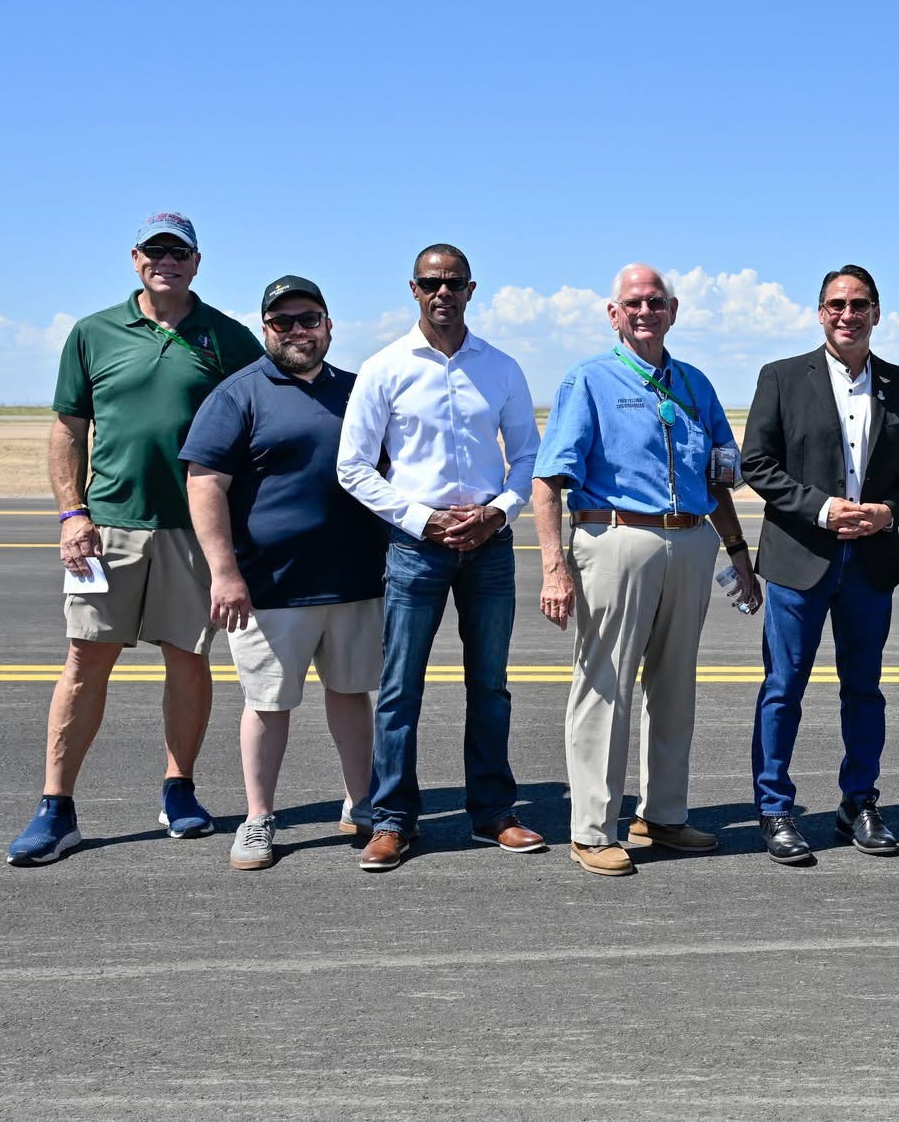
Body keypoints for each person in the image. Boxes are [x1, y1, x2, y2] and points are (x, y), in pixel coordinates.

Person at [10, 213, 264, 866]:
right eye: (156, 252)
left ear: (197, 262)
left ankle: (179, 790)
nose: (167, 262)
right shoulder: (93, 333)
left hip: (194, 530)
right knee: (85, 659)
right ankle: (55, 807)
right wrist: (72, 516)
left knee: (187, 656)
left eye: (179, 252)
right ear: (135, 259)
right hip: (107, 529)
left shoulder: (227, 338)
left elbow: (262, 417)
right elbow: (68, 428)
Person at [534, 264, 763, 876]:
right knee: (603, 685)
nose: (645, 311)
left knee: (675, 687)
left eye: (656, 302)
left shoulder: (694, 384)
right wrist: (554, 568)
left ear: (674, 310)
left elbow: (717, 478)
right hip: (615, 539)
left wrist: (739, 554)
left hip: (690, 543)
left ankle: (663, 814)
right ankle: (591, 828)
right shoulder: (588, 380)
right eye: (633, 302)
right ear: (613, 313)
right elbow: (548, 481)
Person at [337, 244, 543, 872]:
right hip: (415, 549)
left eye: (454, 282)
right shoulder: (385, 368)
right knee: (400, 688)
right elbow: (352, 466)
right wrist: (422, 519)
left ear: (472, 289)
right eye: (432, 283)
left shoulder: (501, 368)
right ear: (414, 289)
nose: (443, 293)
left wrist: (497, 511)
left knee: (490, 686)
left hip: (489, 546)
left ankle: (492, 812)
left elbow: (530, 455)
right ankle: (393, 820)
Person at [180, 276, 388, 870]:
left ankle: (361, 803)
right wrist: (225, 573)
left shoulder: (357, 390)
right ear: (266, 328)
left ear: (328, 324)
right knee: (268, 703)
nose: (298, 330)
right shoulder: (238, 393)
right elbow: (205, 484)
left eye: (309, 318)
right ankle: (259, 819)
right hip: (270, 587)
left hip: (355, 580)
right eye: (283, 321)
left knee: (352, 695)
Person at [740, 265, 899, 864]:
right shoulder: (781, 377)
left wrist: (888, 512)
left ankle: (859, 803)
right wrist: (822, 510)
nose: (848, 314)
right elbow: (758, 464)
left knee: (864, 690)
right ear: (820, 312)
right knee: (783, 688)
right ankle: (775, 809)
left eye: (860, 304)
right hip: (801, 558)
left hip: (869, 562)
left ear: (877, 312)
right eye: (836, 304)